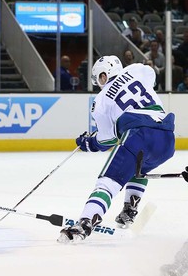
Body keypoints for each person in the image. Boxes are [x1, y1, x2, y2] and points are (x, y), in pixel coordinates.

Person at [58, 55, 175, 243]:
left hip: (139, 136)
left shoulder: (101, 100)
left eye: (99, 78)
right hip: (167, 138)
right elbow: (150, 74)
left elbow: (107, 139)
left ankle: (86, 222)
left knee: (108, 182)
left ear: (103, 75)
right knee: (139, 168)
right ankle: (130, 210)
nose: (99, 83)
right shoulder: (137, 70)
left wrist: (89, 143)